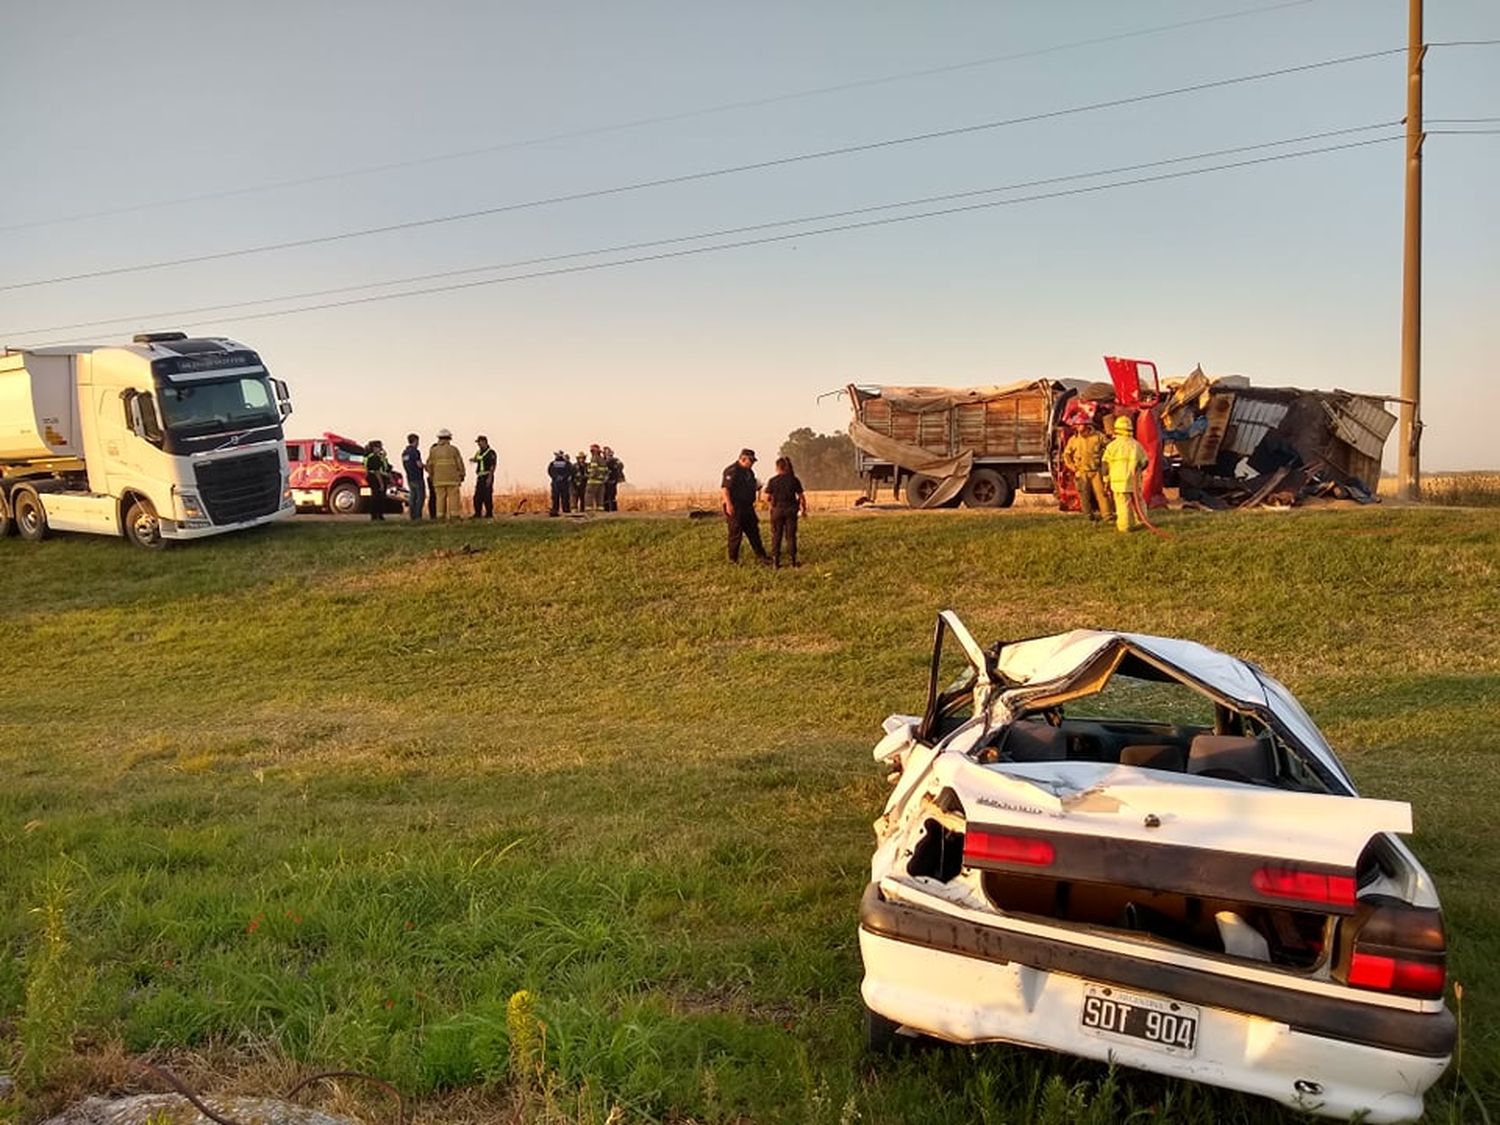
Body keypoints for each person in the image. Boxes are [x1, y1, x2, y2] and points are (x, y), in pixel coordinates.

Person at [721, 448, 770, 564]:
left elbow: (753, 485)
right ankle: (733, 559)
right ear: (743, 459)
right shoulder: (732, 470)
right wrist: (729, 504)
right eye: (751, 461)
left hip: (747, 506)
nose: (752, 463)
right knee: (735, 533)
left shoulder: (750, 472)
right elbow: (725, 489)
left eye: (753, 461)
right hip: (735, 505)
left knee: (754, 531)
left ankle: (761, 556)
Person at [1102, 415, 1149, 533]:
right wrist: (1138, 468)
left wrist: (1105, 480)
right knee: (1139, 501)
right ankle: (1142, 521)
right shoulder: (1136, 445)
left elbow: (1105, 465)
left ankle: (1124, 526)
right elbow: (1145, 463)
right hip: (1134, 481)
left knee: (1123, 505)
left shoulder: (1112, 446)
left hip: (1118, 483)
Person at [1061, 417, 1110, 523]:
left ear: (1087, 424)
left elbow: (1109, 447)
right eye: (1076, 425)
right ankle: (1088, 516)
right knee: (1084, 496)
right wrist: (1073, 467)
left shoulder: (1098, 436)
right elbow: (1066, 454)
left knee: (1102, 494)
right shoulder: (1074, 439)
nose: (1077, 427)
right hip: (1081, 472)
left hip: (1096, 470)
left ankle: (1107, 516)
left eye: (1080, 424)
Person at [763, 456, 807, 567]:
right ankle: (793, 561)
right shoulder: (794, 480)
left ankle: (776, 562)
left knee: (776, 536)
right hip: (791, 511)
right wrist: (804, 510)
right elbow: (801, 497)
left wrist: (771, 503)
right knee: (791, 536)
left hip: (777, 511)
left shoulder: (773, 480)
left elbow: (766, 497)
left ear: (778, 467)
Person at [427, 428, 465, 520]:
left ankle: (440, 516)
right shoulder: (454, 450)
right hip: (453, 479)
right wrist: (462, 474)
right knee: (454, 498)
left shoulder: (433, 451)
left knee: (440, 498)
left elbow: (429, 465)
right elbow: (459, 463)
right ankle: (454, 516)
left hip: (438, 480)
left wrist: (431, 476)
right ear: (449, 438)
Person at [363, 440, 392, 521]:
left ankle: (377, 515)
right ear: (374, 448)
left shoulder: (375, 456)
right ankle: (376, 515)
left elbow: (386, 466)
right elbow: (377, 471)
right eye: (380, 447)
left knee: (378, 497)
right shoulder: (373, 457)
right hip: (375, 478)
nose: (381, 449)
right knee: (377, 497)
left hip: (375, 477)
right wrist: (381, 484)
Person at [471, 435, 497, 519]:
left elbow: (492, 465)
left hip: (487, 475)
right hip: (480, 476)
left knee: (487, 496)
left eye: (479, 442)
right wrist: (473, 460)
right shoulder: (479, 452)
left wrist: (490, 477)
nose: (478, 444)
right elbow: (476, 459)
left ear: (484, 442)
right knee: (477, 496)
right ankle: (477, 513)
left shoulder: (491, 452)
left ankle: (489, 513)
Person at [401, 434, 425, 522]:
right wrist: (426, 466)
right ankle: (418, 516)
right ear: (415, 441)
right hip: (417, 477)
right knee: (420, 497)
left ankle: (412, 516)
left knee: (412, 497)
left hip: (410, 477)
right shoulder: (415, 452)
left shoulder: (404, 452)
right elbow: (419, 464)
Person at [547, 450, 573, 516]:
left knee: (556, 497)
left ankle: (555, 509)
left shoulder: (552, 463)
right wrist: (563, 477)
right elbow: (570, 471)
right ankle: (566, 510)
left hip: (556, 483)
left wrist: (556, 477)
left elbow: (550, 472)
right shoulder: (567, 463)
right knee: (564, 497)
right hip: (564, 483)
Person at [584, 443, 608, 511]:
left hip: (593, 481)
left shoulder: (594, 458)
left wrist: (589, 476)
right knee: (599, 496)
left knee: (589, 495)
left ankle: (589, 510)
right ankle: (600, 510)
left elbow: (594, 470)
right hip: (601, 482)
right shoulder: (602, 459)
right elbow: (606, 470)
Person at [602, 446, 625, 512]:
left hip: (612, 480)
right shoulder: (602, 460)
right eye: (605, 453)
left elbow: (621, 465)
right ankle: (606, 510)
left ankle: (614, 510)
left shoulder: (615, 460)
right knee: (605, 496)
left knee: (612, 495)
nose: (607, 454)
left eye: (608, 453)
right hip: (604, 481)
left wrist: (613, 466)